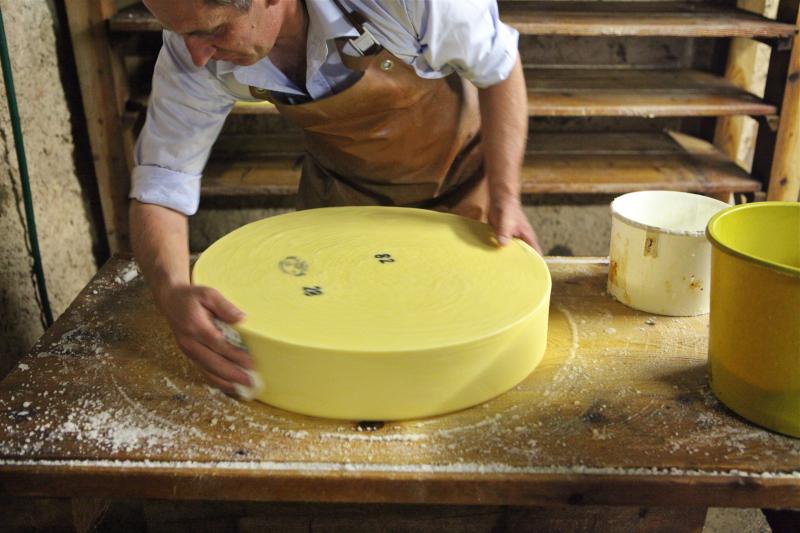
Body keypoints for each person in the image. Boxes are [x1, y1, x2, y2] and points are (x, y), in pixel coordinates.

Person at [130, 0, 542, 396]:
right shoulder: (194, 45)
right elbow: (163, 182)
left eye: (215, 30)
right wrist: (170, 290)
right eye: (181, 33)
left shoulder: (410, 3)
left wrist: (505, 197)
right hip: (341, 204)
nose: (198, 55)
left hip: (458, 194)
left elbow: (499, 66)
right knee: (342, 362)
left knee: (459, 358)